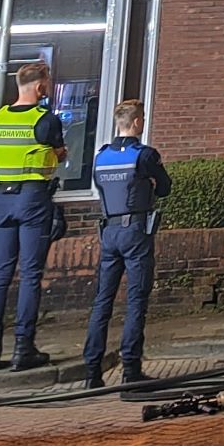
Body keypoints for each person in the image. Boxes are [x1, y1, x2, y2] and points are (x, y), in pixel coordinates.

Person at [0, 59, 67, 371]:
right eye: (47, 83)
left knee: (0, 275)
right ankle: (22, 347)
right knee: (30, 274)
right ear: (40, 86)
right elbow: (59, 152)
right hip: (33, 199)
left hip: (2, 200)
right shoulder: (46, 119)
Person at [83, 99, 173, 388]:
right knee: (136, 300)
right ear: (136, 123)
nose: (143, 123)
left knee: (102, 302)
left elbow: (101, 187)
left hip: (108, 232)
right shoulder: (144, 155)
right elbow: (167, 187)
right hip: (135, 231)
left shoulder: (101, 156)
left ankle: (92, 372)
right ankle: (131, 369)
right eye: (142, 119)